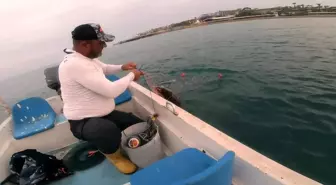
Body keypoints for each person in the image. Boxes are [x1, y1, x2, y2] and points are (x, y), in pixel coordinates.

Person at [58, 23, 144, 174]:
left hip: (103, 114)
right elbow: (111, 91)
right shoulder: (75, 64)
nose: (104, 46)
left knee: (137, 124)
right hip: (82, 122)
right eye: (101, 43)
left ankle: (117, 144)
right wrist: (132, 76)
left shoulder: (85, 58)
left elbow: (103, 68)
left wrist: (122, 67)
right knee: (107, 131)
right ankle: (114, 157)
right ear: (85, 44)